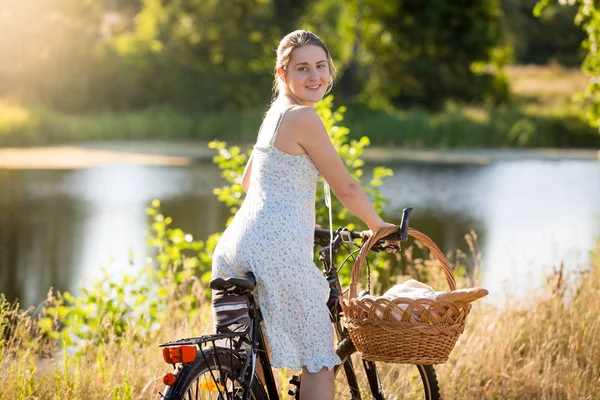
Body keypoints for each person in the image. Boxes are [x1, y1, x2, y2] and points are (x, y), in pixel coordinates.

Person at [211, 29, 398, 400]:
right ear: (283, 74)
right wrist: (378, 226)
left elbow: (249, 181)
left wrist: (298, 221)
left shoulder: (274, 115)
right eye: (302, 68)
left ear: (330, 69)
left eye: (321, 66)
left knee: (250, 362)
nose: (314, 76)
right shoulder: (304, 118)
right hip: (275, 249)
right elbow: (346, 188)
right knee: (318, 360)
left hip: (234, 245)